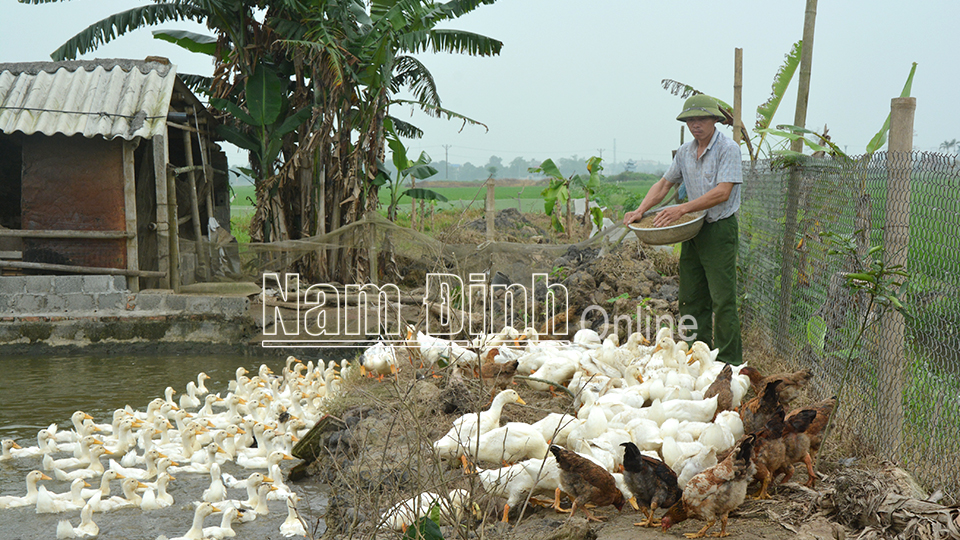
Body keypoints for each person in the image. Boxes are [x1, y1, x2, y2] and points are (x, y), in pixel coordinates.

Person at [623, 94, 743, 365]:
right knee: (691, 297)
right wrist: (641, 210)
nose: (695, 124)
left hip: (718, 228)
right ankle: (698, 356)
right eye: (690, 120)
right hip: (691, 232)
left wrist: (682, 209)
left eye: (701, 119)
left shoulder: (728, 149)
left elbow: (723, 192)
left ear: (715, 120)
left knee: (722, 300)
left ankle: (729, 364)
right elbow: (664, 184)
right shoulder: (686, 152)